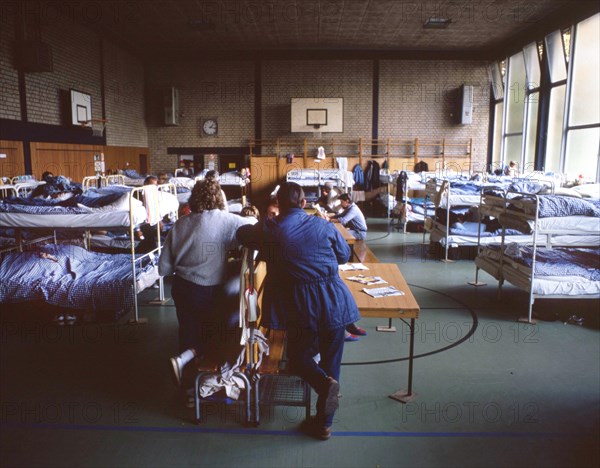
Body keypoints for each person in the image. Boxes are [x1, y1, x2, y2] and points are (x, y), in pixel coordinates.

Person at [236, 182, 360, 440]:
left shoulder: (272, 230)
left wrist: (262, 221)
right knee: (331, 364)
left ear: (279, 204)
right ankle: (325, 424)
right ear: (304, 203)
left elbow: (242, 234)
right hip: (335, 303)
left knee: (299, 358)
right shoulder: (324, 225)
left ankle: (324, 386)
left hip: (302, 308)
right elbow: (344, 256)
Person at [159, 178, 256, 389]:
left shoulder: (180, 223)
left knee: (187, 333)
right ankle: (200, 384)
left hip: (183, 288)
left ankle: (186, 389)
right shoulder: (226, 220)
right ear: (219, 198)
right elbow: (253, 225)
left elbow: (163, 269)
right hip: (208, 290)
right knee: (217, 333)